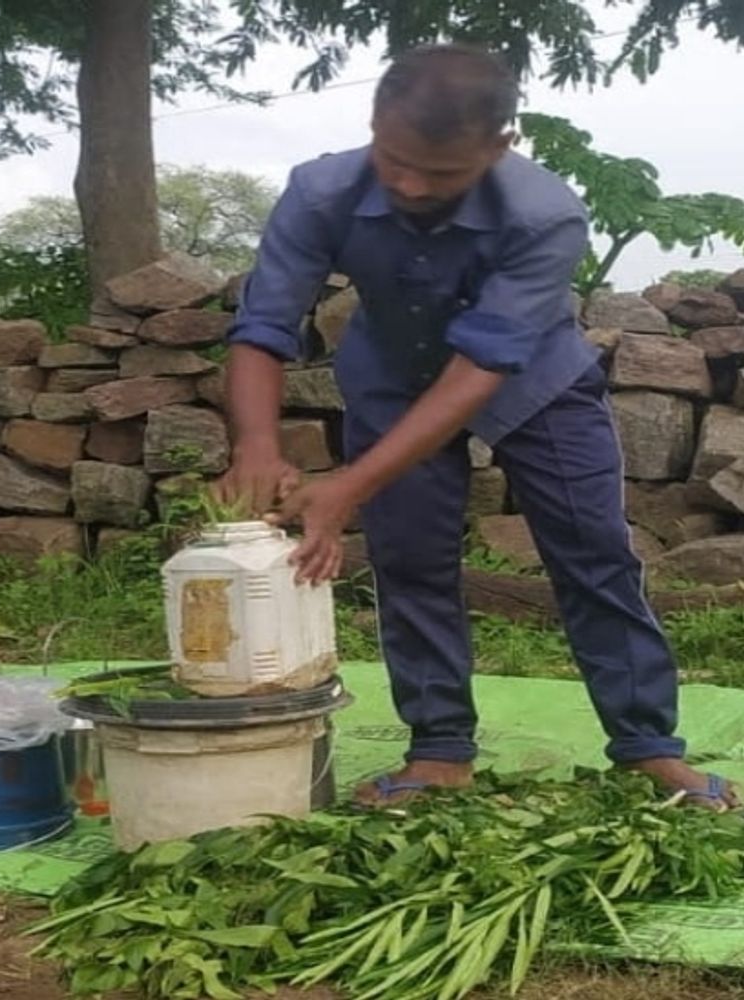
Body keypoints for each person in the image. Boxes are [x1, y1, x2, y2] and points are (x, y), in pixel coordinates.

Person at [216, 43, 737, 810]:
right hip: (391, 380)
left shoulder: (545, 212)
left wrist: (351, 485)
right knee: (410, 561)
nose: (409, 185)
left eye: (441, 174)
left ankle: (648, 748)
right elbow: (263, 326)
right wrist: (256, 445)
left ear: (500, 144)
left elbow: (479, 369)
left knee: (594, 556)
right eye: (394, 159)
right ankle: (438, 753)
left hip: (537, 383)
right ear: (374, 120)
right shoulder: (319, 191)